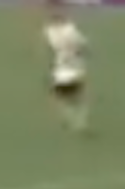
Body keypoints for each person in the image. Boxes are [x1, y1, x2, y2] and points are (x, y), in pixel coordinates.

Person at [43, 1, 89, 132]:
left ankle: (69, 119)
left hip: (60, 70)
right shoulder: (70, 29)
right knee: (80, 98)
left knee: (62, 98)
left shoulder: (49, 31)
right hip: (75, 69)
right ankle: (80, 123)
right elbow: (82, 45)